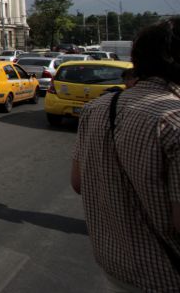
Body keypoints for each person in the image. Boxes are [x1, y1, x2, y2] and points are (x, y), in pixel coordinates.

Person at [71, 18, 180, 291]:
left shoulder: (97, 108)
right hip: (167, 273)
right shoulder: (173, 119)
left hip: (114, 263)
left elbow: (77, 182)